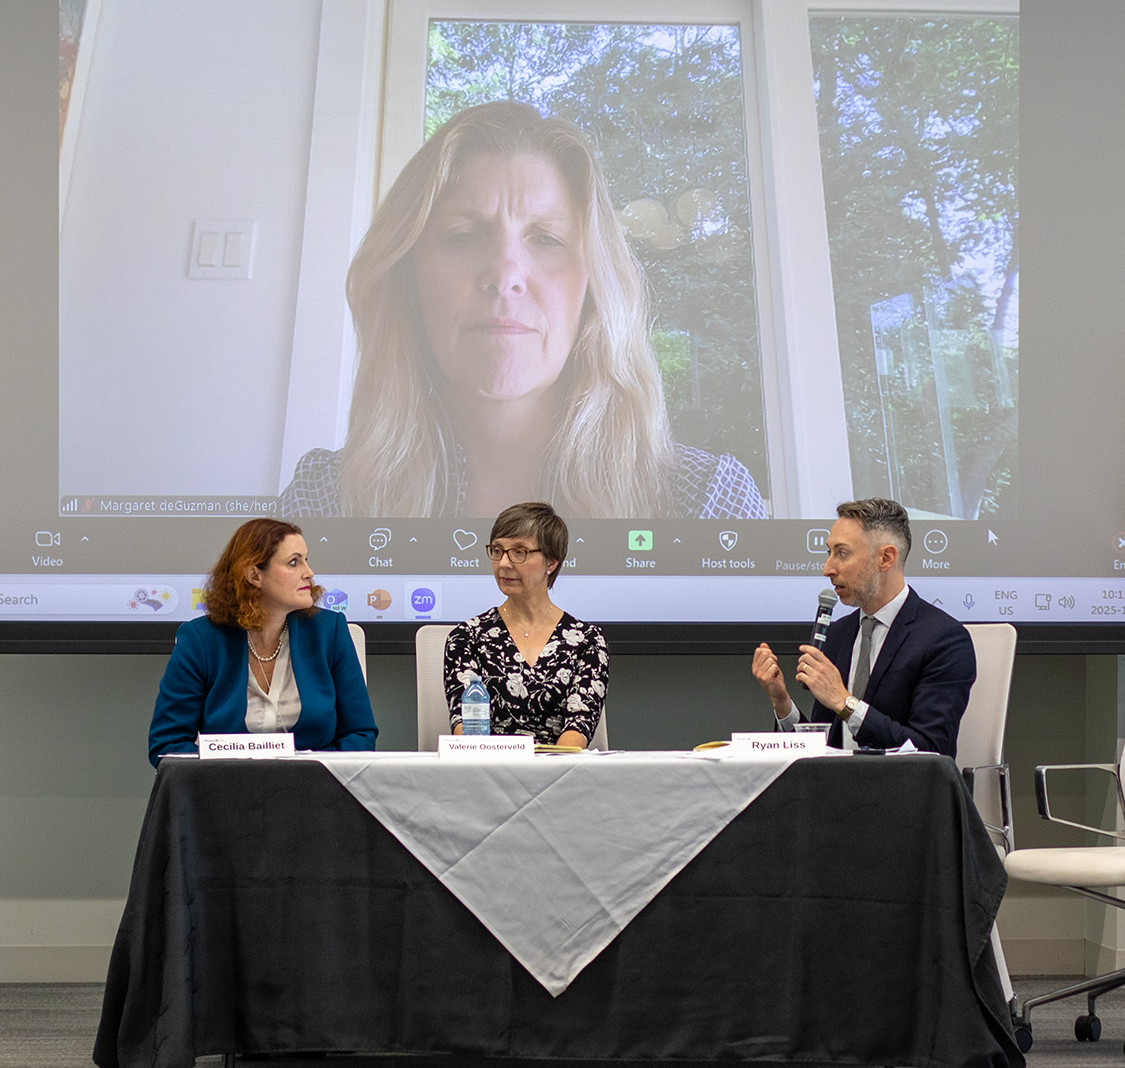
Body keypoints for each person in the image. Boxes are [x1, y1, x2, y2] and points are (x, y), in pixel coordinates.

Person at [281, 100, 766, 521]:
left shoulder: (709, 502)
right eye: (463, 236)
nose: (505, 273)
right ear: (408, 281)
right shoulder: (322, 502)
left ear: (593, 287)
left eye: (547, 239)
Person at [751, 498, 974, 756]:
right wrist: (782, 702)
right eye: (829, 552)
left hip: (898, 793)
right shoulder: (837, 635)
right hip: (835, 791)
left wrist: (844, 703)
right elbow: (822, 750)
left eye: (842, 553)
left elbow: (930, 751)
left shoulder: (943, 640)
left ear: (886, 558)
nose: (827, 569)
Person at [148, 519, 377, 766]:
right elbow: (168, 743)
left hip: (317, 792)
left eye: (306, 560)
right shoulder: (201, 639)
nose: (308, 573)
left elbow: (360, 733)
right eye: (294, 562)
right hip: (227, 794)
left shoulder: (328, 631)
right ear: (254, 575)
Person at [443, 501, 607, 747]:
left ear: (551, 562)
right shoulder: (467, 638)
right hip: (486, 773)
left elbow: (578, 728)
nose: (504, 563)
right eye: (497, 550)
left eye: (519, 552)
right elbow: (466, 729)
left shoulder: (587, 641)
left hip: (558, 773)